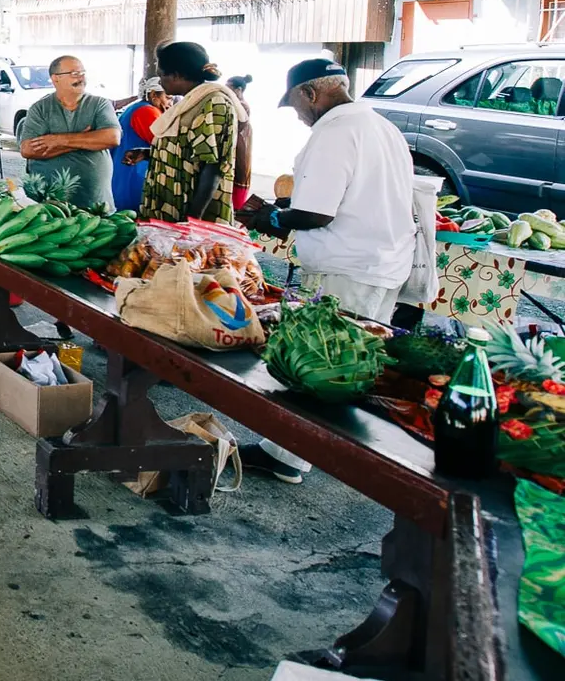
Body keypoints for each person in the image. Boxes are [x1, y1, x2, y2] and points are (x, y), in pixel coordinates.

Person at [242, 58, 415, 484]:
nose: (298, 116)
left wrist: (269, 219)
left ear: (310, 94)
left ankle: (288, 456)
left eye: (296, 106)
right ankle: (316, 452)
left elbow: (317, 213)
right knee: (351, 365)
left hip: (349, 265)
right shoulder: (379, 125)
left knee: (320, 363)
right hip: (381, 261)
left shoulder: (335, 132)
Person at [136, 41, 243, 224]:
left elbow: (212, 166)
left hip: (188, 212)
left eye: (162, 75)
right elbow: (188, 151)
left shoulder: (214, 103)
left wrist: (193, 220)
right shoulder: (190, 101)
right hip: (172, 206)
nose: (160, 81)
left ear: (176, 75)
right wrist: (148, 154)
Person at [15, 55, 119, 210]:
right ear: (55, 78)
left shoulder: (99, 104)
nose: (81, 78)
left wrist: (57, 141)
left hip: (94, 199)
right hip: (50, 201)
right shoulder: (40, 109)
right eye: (75, 73)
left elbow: (112, 138)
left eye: (83, 73)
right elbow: (28, 150)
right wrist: (86, 141)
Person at [111, 78, 169, 212]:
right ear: (154, 95)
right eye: (168, 98)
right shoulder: (147, 111)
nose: (170, 103)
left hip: (125, 172)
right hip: (135, 173)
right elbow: (165, 143)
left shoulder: (135, 107)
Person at [227, 74, 256, 212]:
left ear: (239, 90)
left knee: (239, 174)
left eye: (229, 88)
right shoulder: (237, 104)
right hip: (239, 143)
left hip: (240, 146)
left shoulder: (241, 106)